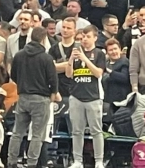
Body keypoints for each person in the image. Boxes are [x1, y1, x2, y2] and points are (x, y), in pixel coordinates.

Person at [6, 27, 59, 168]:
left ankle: (11, 161)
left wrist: (22, 85)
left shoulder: (19, 55)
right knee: (37, 135)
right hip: (41, 98)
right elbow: (53, 80)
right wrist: (53, 94)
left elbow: (13, 75)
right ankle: (31, 163)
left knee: (17, 132)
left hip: (23, 97)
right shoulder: (46, 58)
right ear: (43, 39)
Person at [67, 25, 106, 168]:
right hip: (76, 96)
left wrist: (85, 58)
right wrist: (71, 60)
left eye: (88, 36)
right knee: (77, 131)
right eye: (83, 36)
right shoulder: (75, 52)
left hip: (93, 97)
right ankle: (77, 161)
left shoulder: (99, 53)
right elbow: (69, 74)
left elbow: (98, 73)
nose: (84, 39)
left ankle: (99, 161)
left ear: (95, 38)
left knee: (96, 131)